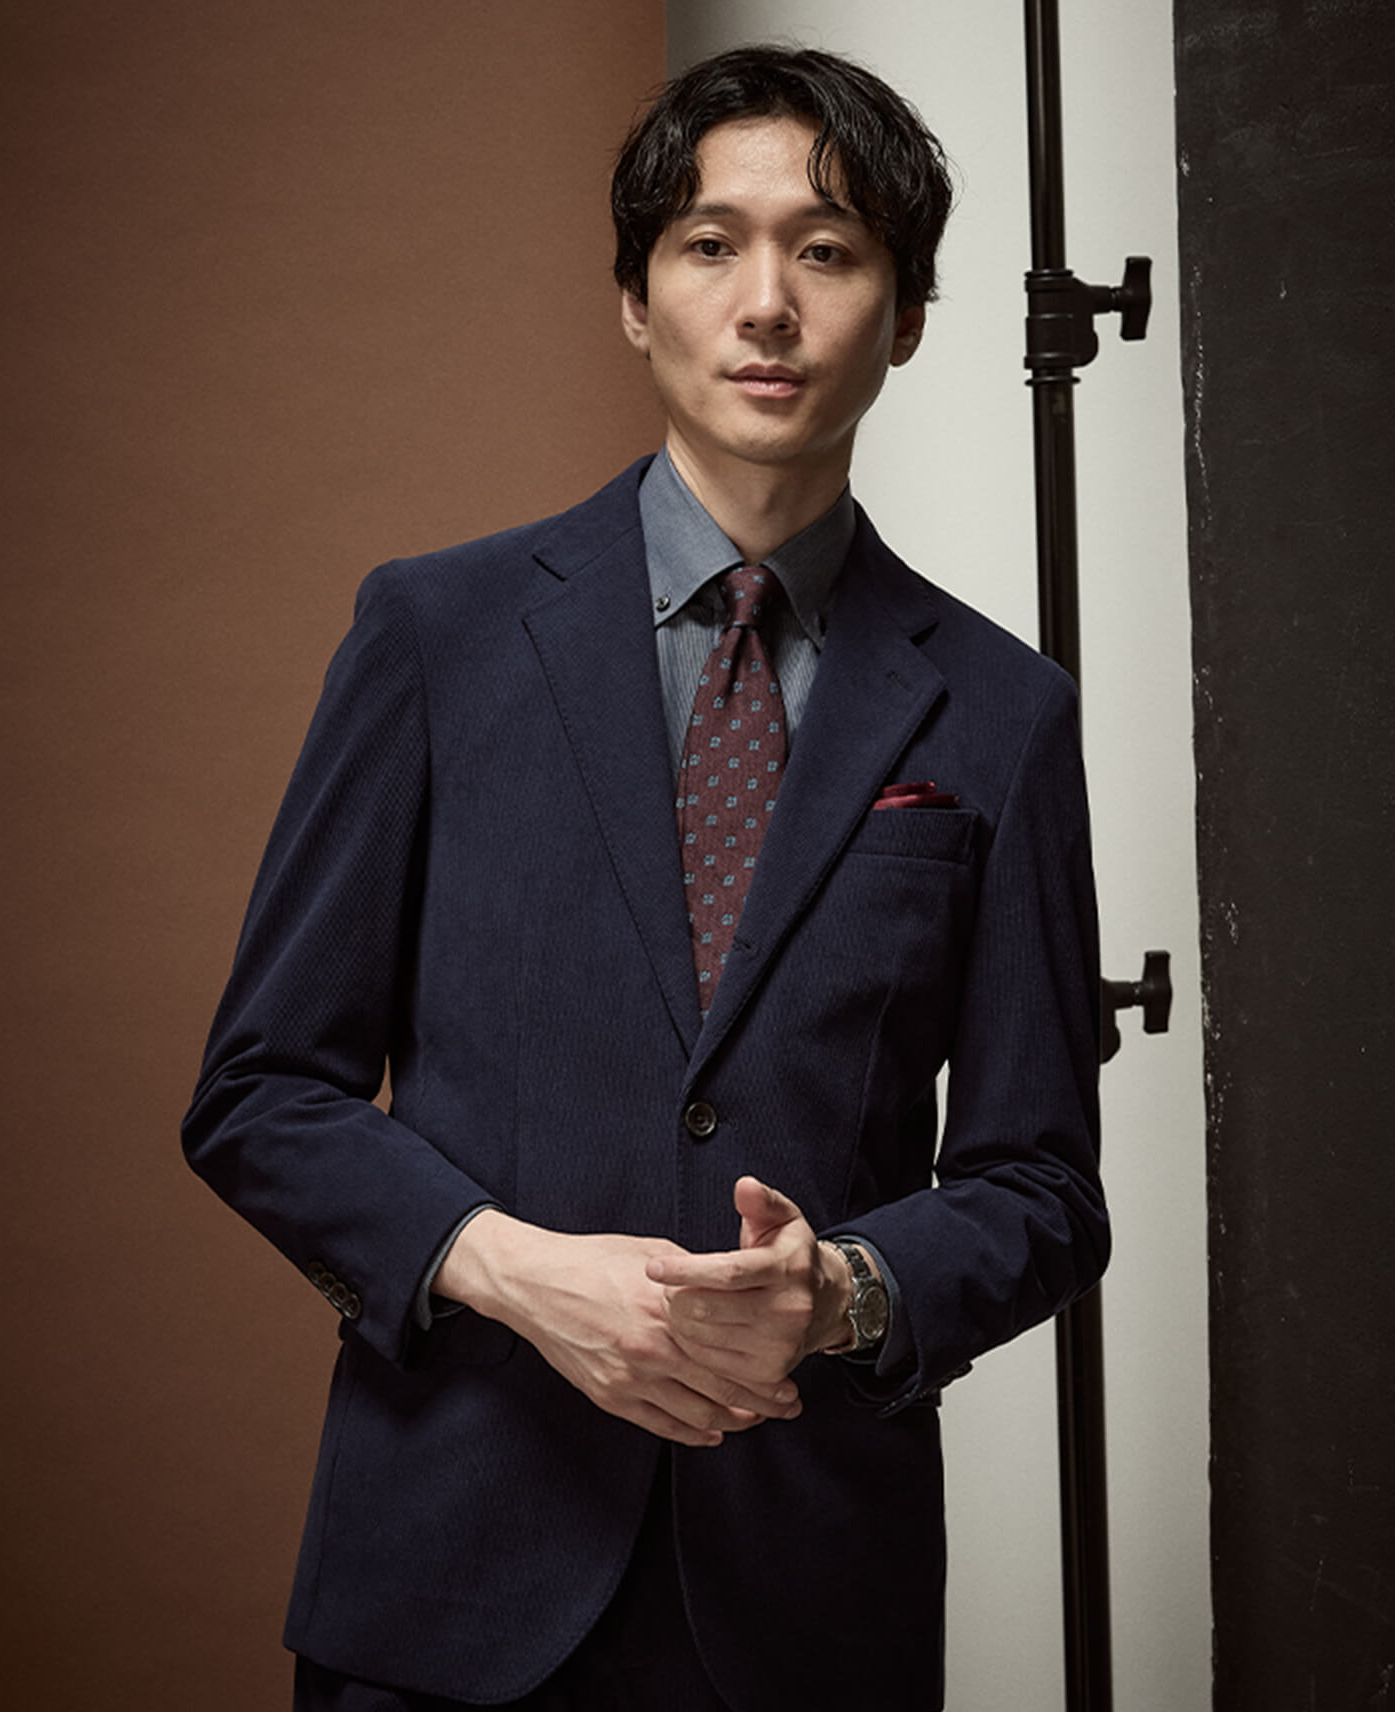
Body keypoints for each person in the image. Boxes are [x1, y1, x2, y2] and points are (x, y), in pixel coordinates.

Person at [184, 44, 1108, 1712]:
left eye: (828, 251)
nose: (768, 305)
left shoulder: (1004, 711)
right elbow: (260, 1092)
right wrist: (513, 1269)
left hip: (805, 1600)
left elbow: (1042, 1185)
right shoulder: (436, 635)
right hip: (449, 1567)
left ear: (906, 316)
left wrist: (842, 1296)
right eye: (709, 245)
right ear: (634, 299)